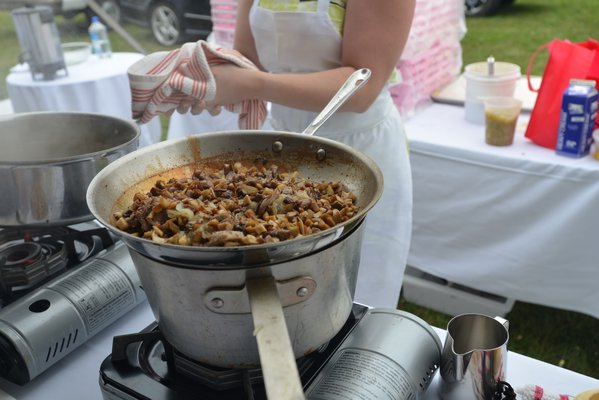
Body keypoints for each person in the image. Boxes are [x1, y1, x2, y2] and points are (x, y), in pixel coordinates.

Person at [187, 0, 416, 308]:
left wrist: (255, 85)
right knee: (284, 288)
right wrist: (199, 71)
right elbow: (248, 57)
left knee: (355, 296)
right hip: (282, 144)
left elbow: (363, 86)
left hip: (358, 154)